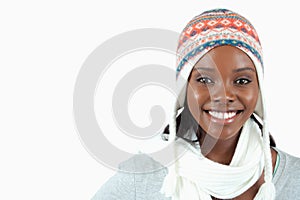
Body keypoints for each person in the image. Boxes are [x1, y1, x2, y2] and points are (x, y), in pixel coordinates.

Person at [92, 8, 300, 200]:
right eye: (205, 80)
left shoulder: (294, 178)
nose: (224, 95)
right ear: (183, 88)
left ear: (259, 90)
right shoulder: (144, 175)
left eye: (242, 81)